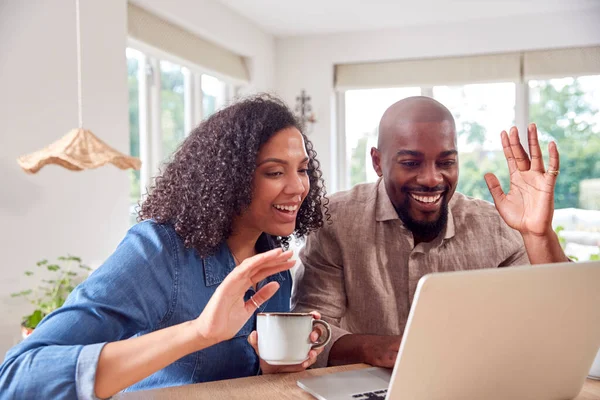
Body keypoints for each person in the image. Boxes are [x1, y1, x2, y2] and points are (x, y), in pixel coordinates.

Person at [0, 94, 329, 399]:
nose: (298, 186)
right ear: (229, 178)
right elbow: (18, 377)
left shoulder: (275, 264)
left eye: (302, 170)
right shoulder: (157, 251)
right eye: (274, 172)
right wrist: (198, 332)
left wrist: (270, 368)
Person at [292, 96, 569, 369]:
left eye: (446, 163)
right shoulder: (335, 220)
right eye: (411, 163)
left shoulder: (496, 226)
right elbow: (312, 327)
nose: (432, 179)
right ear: (377, 162)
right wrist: (373, 349)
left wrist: (539, 235)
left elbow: (560, 317)